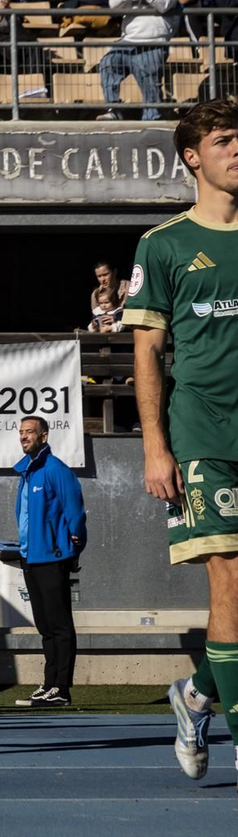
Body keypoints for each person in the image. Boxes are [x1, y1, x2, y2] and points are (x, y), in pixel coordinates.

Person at [123, 98, 238, 783]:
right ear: (193, 156)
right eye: (225, 140)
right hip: (202, 437)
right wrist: (154, 447)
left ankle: (193, 696)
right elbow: (146, 354)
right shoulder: (162, 245)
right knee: (230, 581)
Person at [11, 415, 86, 708]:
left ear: (44, 436)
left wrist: (73, 545)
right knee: (44, 625)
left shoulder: (56, 470)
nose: (24, 436)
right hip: (31, 557)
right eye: (21, 432)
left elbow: (75, 513)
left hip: (53, 558)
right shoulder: (28, 472)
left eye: (30, 432)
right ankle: (49, 684)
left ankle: (62, 688)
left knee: (60, 624)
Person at [99, 0, 177, 122]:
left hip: (153, 41)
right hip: (128, 40)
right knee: (108, 64)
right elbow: (113, 5)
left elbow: (165, 5)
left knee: (149, 82)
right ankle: (114, 110)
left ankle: (152, 119)